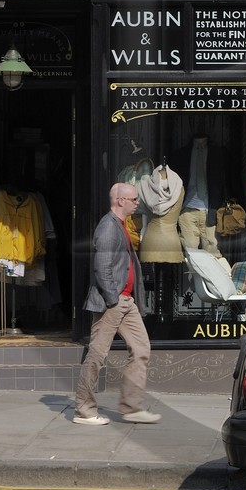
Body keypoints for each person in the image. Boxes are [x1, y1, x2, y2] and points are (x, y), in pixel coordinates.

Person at [73, 182, 161, 426]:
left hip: (125, 301)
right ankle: (83, 410)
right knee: (97, 355)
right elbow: (102, 268)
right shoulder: (108, 227)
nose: (137, 203)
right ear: (120, 201)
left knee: (141, 349)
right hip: (112, 302)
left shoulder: (121, 225)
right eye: (134, 200)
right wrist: (114, 298)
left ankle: (131, 408)